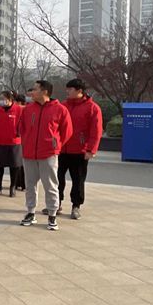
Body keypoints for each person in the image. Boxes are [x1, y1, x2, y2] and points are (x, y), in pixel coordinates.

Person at [19, 80, 73, 231]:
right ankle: (30, 212)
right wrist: (26, 142)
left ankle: (52, 214)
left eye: (35, 89)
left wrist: (55, 144)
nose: (32, 92)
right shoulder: (28, 109)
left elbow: (67, 131)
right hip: (29, 153)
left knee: (50, 185)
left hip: (48, 153)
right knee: (30, 185)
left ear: (45, 92)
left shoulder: (60, 109)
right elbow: (22, 128)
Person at [58, 78, 103, 220]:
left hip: (80, 150)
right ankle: (56, 203)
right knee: (57, 178)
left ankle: (76, 206)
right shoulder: (63, 106)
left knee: (78, 180)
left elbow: (96, 130)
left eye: (70, 89)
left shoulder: (92, 108)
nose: (67, 91)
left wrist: (91, 149)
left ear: (79, 91)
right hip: (61, 149)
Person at [0, 90, 23, 197]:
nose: (1, 101)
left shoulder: (18, 110)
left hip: (14, 142)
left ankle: (12, 187)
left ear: (10, 99)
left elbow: (22, 123)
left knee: (14, 166)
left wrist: (19, 132)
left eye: (3, 99)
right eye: (0, 99)